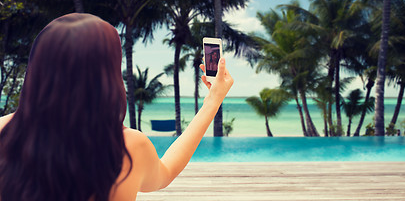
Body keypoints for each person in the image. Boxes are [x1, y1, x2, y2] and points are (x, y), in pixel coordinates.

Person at [0, 13, 233, 201]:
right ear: (106, 76)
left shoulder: (4, 132)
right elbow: (166, 172)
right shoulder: (128, 147)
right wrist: (213, 101)